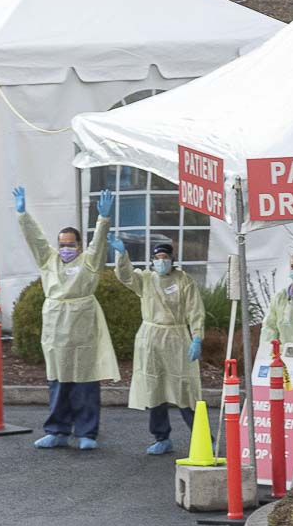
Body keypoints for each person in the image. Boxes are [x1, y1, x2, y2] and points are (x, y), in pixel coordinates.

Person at [14, 185, 119, 450]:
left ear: (79, 245)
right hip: (56, 326)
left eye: (70, 245)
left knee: (85, 380)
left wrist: (103, 219)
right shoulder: (49, 261)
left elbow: (99, 244)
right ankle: (57, 430)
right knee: (58, 380)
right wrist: (23, 214)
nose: (65, 249)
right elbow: (35, 239)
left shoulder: (88, 263)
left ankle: (87, 432)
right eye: (62, 244)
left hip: (82, 325)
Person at [109, 238, 205, 455]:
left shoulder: (184, 281)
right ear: (152, 260)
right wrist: (122, 256)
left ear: (173, 260)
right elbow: (125, 276)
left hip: (177, 337)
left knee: (185, 389)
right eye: (158, 258)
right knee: (155, 388)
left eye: (166, 258)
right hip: (151, 338)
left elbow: (195, 310)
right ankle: (161, 437)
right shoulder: (145, 279)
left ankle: (203, 438)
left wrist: (197, 336)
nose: (162, 262)